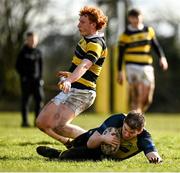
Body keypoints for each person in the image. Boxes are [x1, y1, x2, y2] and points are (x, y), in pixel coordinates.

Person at [36, 6, 108, 148]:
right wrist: (67, 77)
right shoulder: (84, 40)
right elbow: (78, 67)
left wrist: (69, 80)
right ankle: (69, 143)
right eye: (79, 21)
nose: (78, 25)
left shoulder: (96, 44)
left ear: (93, 25)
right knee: (41, 122)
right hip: (72, 88)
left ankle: (98, 142)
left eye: (82, 22)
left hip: (83, 92)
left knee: (58, 126)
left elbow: (85, 66)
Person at [36, 111, 163, 164]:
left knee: (73, 155)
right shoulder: (117, 119)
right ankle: (70, 144)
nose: (126, 134)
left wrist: (155, 159)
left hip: (104, 154)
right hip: (95, 140)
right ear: (124, 122)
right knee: (80, 141)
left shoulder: (144, 137)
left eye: (132, 133)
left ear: (140, 131)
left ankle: (59, 154)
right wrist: (104, 139)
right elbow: (91, 143)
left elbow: (153, 153)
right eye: (125, 129)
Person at [117, 8, 168, 113]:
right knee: (135, 94)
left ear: (141, 17)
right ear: (129, 19)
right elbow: (120, 54)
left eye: (137, 17)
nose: (135, 20)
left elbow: (156, 46)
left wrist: (162, 58)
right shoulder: (125, 35)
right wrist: (120, 71)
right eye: (133, 18)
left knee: (147, 98)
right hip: (131, 66)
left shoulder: (148, 30)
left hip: (147, 66)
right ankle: (134, 117)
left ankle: (139, 114)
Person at [16, 32, 44, 127]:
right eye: (30, 39)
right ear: (27, 40)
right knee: (25, 101)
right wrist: (23, 76)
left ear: (36, 40)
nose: (32, 41)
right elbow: (17, 66)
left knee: (39, 100)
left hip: (37, 81)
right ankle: (24, 122)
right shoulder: (23, 52)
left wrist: (41, 79)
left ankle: (37, 121)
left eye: (34, 40)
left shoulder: (38, 52)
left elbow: (40, 67)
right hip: (26, 81)